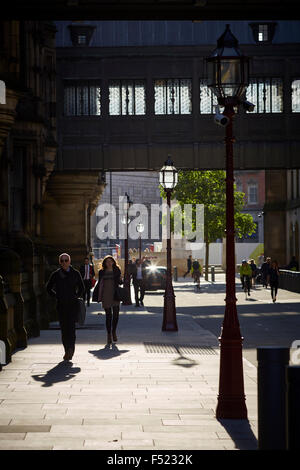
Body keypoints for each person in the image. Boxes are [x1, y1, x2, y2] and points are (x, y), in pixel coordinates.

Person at [46, 253, 85, 361]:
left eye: (66, 260)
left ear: (69, 261)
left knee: (71, 329)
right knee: (64, 330)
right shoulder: (56, 274)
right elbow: (48, 288)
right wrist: (56, 296)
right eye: (62, 261)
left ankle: (71, 349)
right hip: (61, 305)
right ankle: (66, 350)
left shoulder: (75, 273)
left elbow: (82, 288)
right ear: (59, 262)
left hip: (72, 305)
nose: (64, 262)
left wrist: (76, 296)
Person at [92, 255, 122, 344]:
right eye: (107, 261)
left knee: (116, 315)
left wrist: (121, 279)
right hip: (105, 295)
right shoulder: (102, 272)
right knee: (108, 316)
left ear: (113, 262)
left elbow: (120, 282)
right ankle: (109, 335)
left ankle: (114, 332)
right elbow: (100, 283)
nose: (109, 263)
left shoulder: (117, 270)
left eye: (110, 261)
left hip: (115, 295)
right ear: (104, 263)